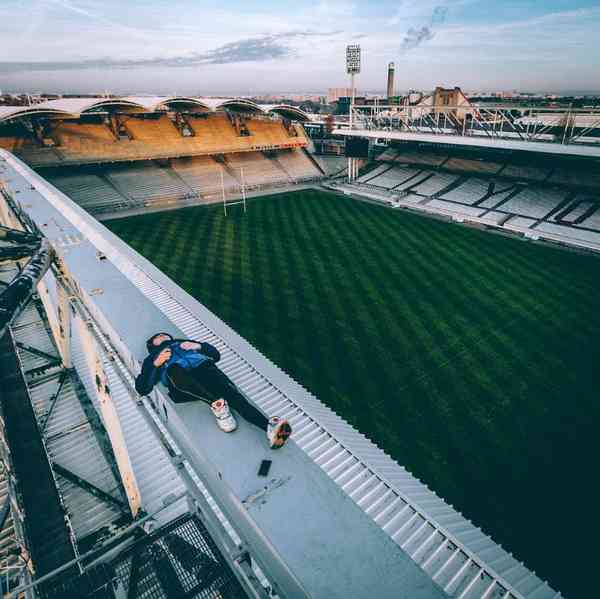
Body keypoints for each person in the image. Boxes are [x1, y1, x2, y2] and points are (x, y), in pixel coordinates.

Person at [135, 332, 292, 449]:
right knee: (174, 369)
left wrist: (199, 346)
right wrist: (157, 363)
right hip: (181, 383)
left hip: (205, 371)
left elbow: (215, 355)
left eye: (164, 334)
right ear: (152, 345)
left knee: (233, 396)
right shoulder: (152, 359)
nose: (162, 335)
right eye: (158, 336)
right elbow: (142, 388)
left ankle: (269, 427)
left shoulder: (183, 343)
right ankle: (218, 406)